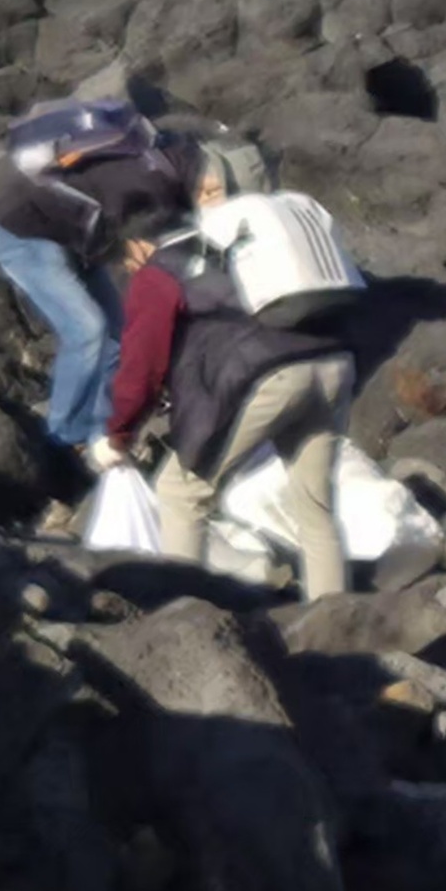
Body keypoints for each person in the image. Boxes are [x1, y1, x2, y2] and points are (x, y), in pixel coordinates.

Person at [132, 138, 360, 598]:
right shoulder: (293, 235)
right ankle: (337, 623)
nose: (200, 198)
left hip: (271, 376)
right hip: (334, 365)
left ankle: (183, 624)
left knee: (181, 493)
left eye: (212, 190)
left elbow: (164, 331)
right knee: (314, 506)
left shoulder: (209, 245)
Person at [0, 114, 196, 458]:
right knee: (87, 330)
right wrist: (129, 255)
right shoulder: (136, 188)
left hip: (74, 236)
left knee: (118, 334)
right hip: (24, 236)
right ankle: (64, 436)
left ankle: (104, 430)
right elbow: (118, 234)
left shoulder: (153, 180)